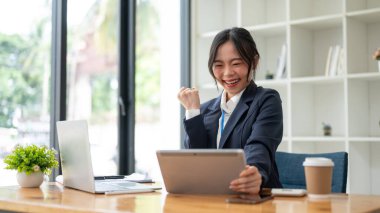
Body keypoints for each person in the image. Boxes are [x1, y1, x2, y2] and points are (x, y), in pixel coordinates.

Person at [177, 27, 283, 194]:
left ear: (254, 62)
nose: (227, 73)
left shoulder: (266, 100)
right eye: (218, 65)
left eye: (236, 63)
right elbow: (196, 160)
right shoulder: (204, 110)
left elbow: (259, 145)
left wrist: (254, 172)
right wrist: (192, 112)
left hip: (257, 198)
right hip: (213, 199)